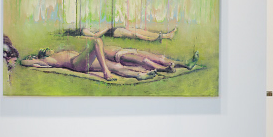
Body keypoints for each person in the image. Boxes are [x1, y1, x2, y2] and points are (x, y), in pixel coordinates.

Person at [21, 36, 194, 81]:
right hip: (77, 64)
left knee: (116, 67)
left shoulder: (54, 54)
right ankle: (105, 73)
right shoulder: (50, 60)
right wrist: (34, 59)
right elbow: (25, 62)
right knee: (96, 42)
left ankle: (138, 75)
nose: (47, 49)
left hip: (84, 62)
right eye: (44, 51)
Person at [63, 25, 177, 41]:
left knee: (138, 31)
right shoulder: (83, 31)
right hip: (112, 32)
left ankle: (165, 36)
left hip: (113, 29)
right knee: (135, 34)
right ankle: (155, 39)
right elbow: (96, 35)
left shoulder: (84, 28)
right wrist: (106, 28)